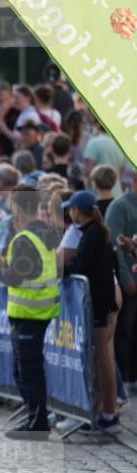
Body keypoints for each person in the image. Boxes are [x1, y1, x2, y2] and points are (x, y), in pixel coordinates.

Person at [0, 186, 60, 439]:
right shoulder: (45, 232)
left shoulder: (24, 239)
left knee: (27, 371)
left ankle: (38, 424)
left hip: (28, 312)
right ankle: (35, 419)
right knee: (26, 370)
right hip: (40, 310)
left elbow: (16, 276)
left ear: (16, 207)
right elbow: (26, 268)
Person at [63, 191, 120, 433]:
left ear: (78, 210)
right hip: (99, 301)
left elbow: (82, 265)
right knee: (101, 357)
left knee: (103, 358)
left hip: (98, 303)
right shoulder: (93, 232)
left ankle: (108, 413)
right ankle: (104, 411)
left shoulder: (93, 234)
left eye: (71, 209)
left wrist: (60, 269)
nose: (68, 213)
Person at [107, 169, 137, 395]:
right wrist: (126, 277)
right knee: (126, 329)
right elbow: (116, 247)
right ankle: (125, 376)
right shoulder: (120, 207)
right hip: (129, 280)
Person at [83, 128, 125, 197]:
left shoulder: (94, 142)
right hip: (117, 193)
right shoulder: (121, 144)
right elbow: (121, 174)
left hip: (99, 194)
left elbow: (88, 171)